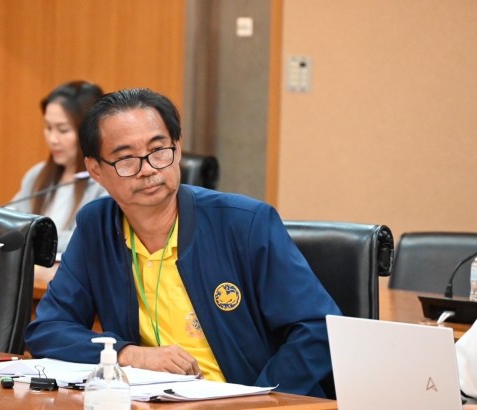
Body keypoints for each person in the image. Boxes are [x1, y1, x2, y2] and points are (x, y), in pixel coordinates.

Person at [25, 88, 341, 397]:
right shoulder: (97, 227)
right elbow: (48, 330)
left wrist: (257, 400)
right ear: (95, 170)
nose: (148, 169)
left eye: (158, 151)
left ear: (177, 148)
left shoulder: (245, 223)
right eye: (126, 159)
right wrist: (129, 354)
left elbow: (318, 328)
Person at [10, 81, 107, 261]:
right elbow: (10, 222)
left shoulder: (104, 183)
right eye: (48, 128)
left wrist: (34, 237)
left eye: (63, 130)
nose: (53, 139)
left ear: (88, 133)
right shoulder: (36, 175)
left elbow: (89, 239)